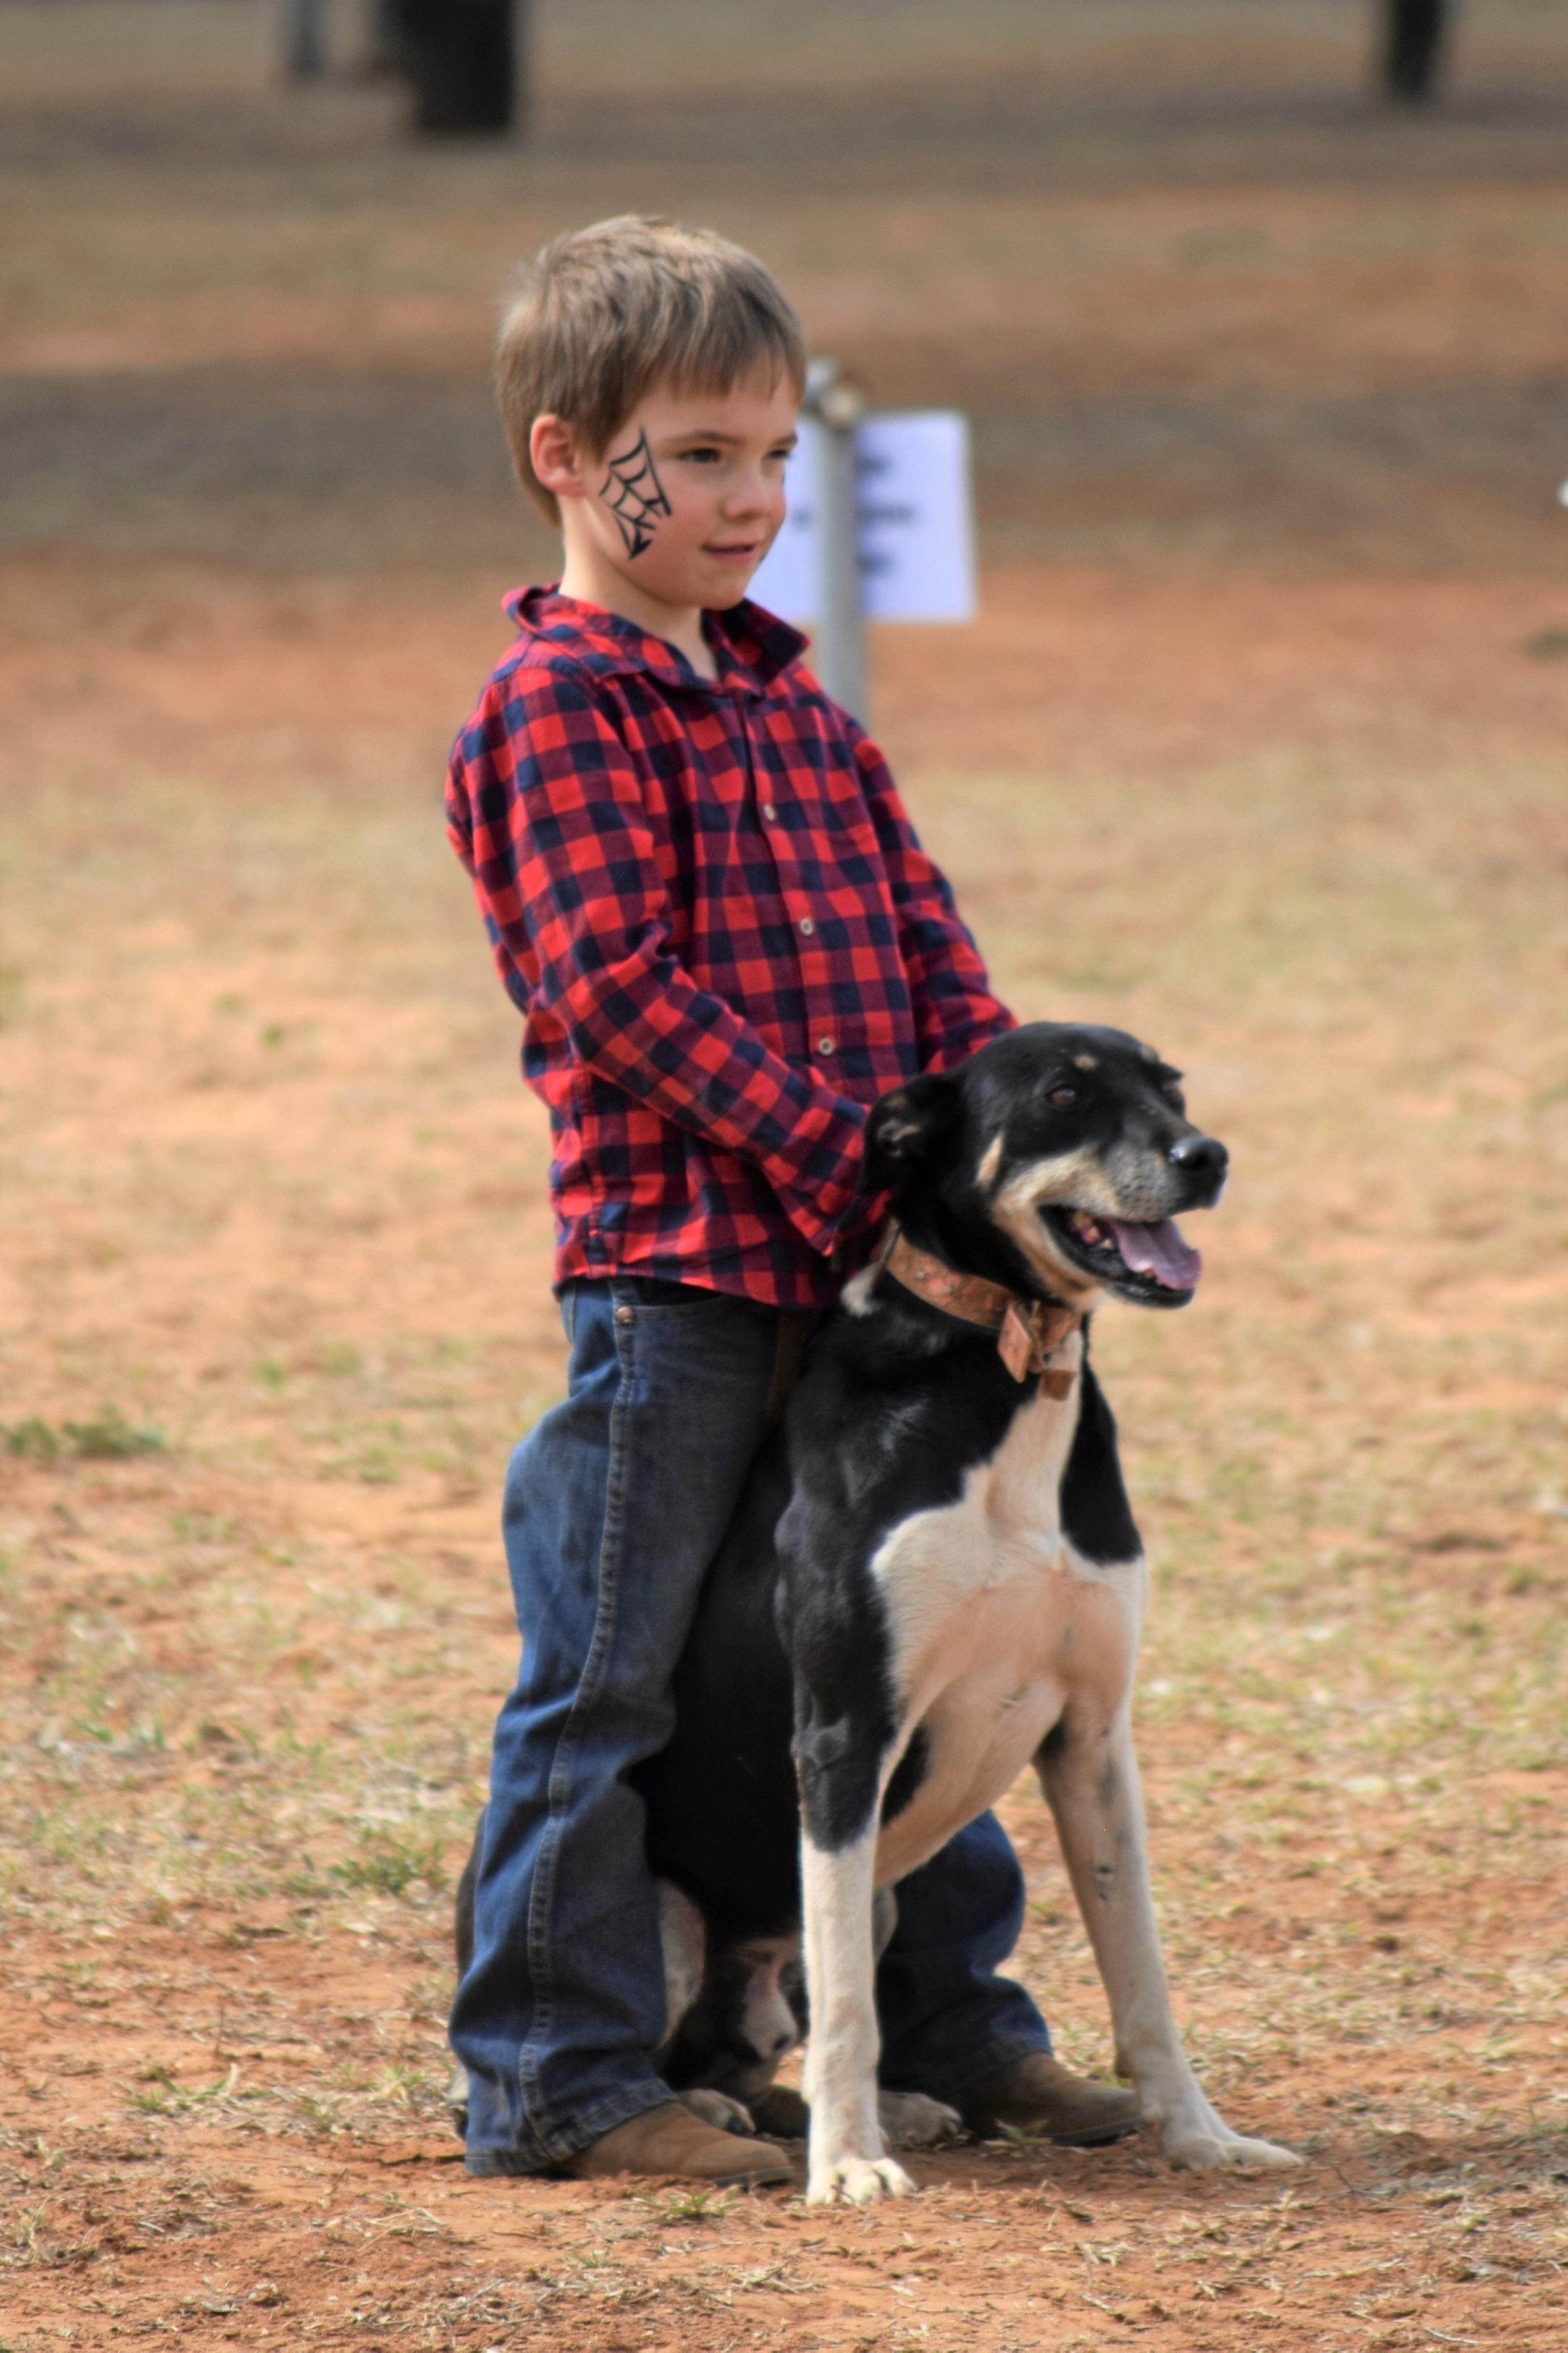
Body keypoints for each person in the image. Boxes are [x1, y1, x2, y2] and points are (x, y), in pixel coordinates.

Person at [444, 214, 1139, 2184]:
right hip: (677, 1293)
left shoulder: (813, 722)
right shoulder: (557, 709)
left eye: (772, 455)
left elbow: (943, 979)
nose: (751, 497)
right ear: (571, 457)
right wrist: (847, 1152)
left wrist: (1004, 1166)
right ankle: (562, 2081)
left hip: (878, 1297)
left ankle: (951, 2030)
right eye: (704, 454)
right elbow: (610, 987)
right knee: (611, 1679)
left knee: (920, 1655)